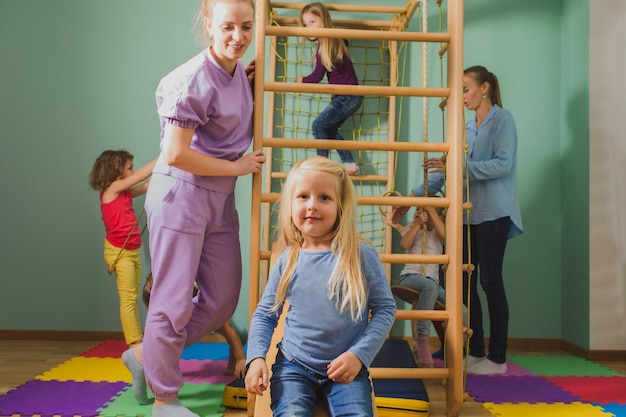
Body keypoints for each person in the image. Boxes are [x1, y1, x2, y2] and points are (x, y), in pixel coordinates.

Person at [119, 0, 266, 415]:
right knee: (172, 300)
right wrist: (237, 166)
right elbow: (176, 154)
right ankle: (165, 399)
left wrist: (249, 81)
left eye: (246, 26)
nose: (238, 36)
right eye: (228, 27)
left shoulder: (238, 73)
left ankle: (147, 355)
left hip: (219, 200)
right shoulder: (190, 79)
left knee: (221, 300)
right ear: (208, 23)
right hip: (180, 195)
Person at [392, 65, 523, 375]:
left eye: (466, 88)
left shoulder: (503, 120)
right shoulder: (466, 128)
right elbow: (442, 175)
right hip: (468, 216)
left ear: (485, 88)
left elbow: (502, 165)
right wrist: (406, 200)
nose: (462, 95)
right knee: (464, 283)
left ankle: (498, 358)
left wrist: (457, 168)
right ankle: (475, 351)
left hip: (494, 213)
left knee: (490, 281)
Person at [245, 156, 397, 417]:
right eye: (303, 196)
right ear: (291, 205)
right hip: (294, 366)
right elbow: (265, 314)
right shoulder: (287, 259)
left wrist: (358, 356)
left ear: (340, 206)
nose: (312, 205)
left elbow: (385, 309)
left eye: (324, 198)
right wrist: (256, 357)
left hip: (344, 366)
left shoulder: (360, 254)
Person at [88, 150, 157, 349]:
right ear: (115, 172)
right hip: (119, 250)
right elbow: (141, 176)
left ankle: (137, 335)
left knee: (133, 295)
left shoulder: (124, 191)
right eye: (129, 168)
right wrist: (167, 154)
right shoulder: (112, 189)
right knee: (127, 298)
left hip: (132, 250)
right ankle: (135, 341)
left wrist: (164, 174)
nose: (133, 170)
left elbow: (144, 185)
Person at [296, 2, 363, 175]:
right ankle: (349, 163)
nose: (308, 27)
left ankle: (321, 164)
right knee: (329, 130)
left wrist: (301, 80)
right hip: (352, 96)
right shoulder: (337, 39)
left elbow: (316, 77)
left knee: (318, 125)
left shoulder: (324, 45)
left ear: (324, 19)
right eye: (305, 24)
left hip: (345, 96)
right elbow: (345, 43)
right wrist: (318, 58)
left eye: (312, 22)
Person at [142, 273, 247, 379]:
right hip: (190, 326)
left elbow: (227, 326)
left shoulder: (199, 300)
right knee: (168, 343)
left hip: (214, 319)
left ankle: (233, 364)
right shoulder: (166, 320)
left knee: (241, 334)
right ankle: (153, 366)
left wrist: (240, 358)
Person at [384, 206, 444, 368]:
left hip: (430, 282)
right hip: (409, 278)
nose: (419, 212)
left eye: (425, 210)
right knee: (430, 287)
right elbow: (404, 244)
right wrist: (417, 224)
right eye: (417, 209)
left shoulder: (440, 231)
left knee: (462, 311)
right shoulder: (413, 227)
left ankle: (455, 351)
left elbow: (445, 235)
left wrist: (431, 212)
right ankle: (423, 339)